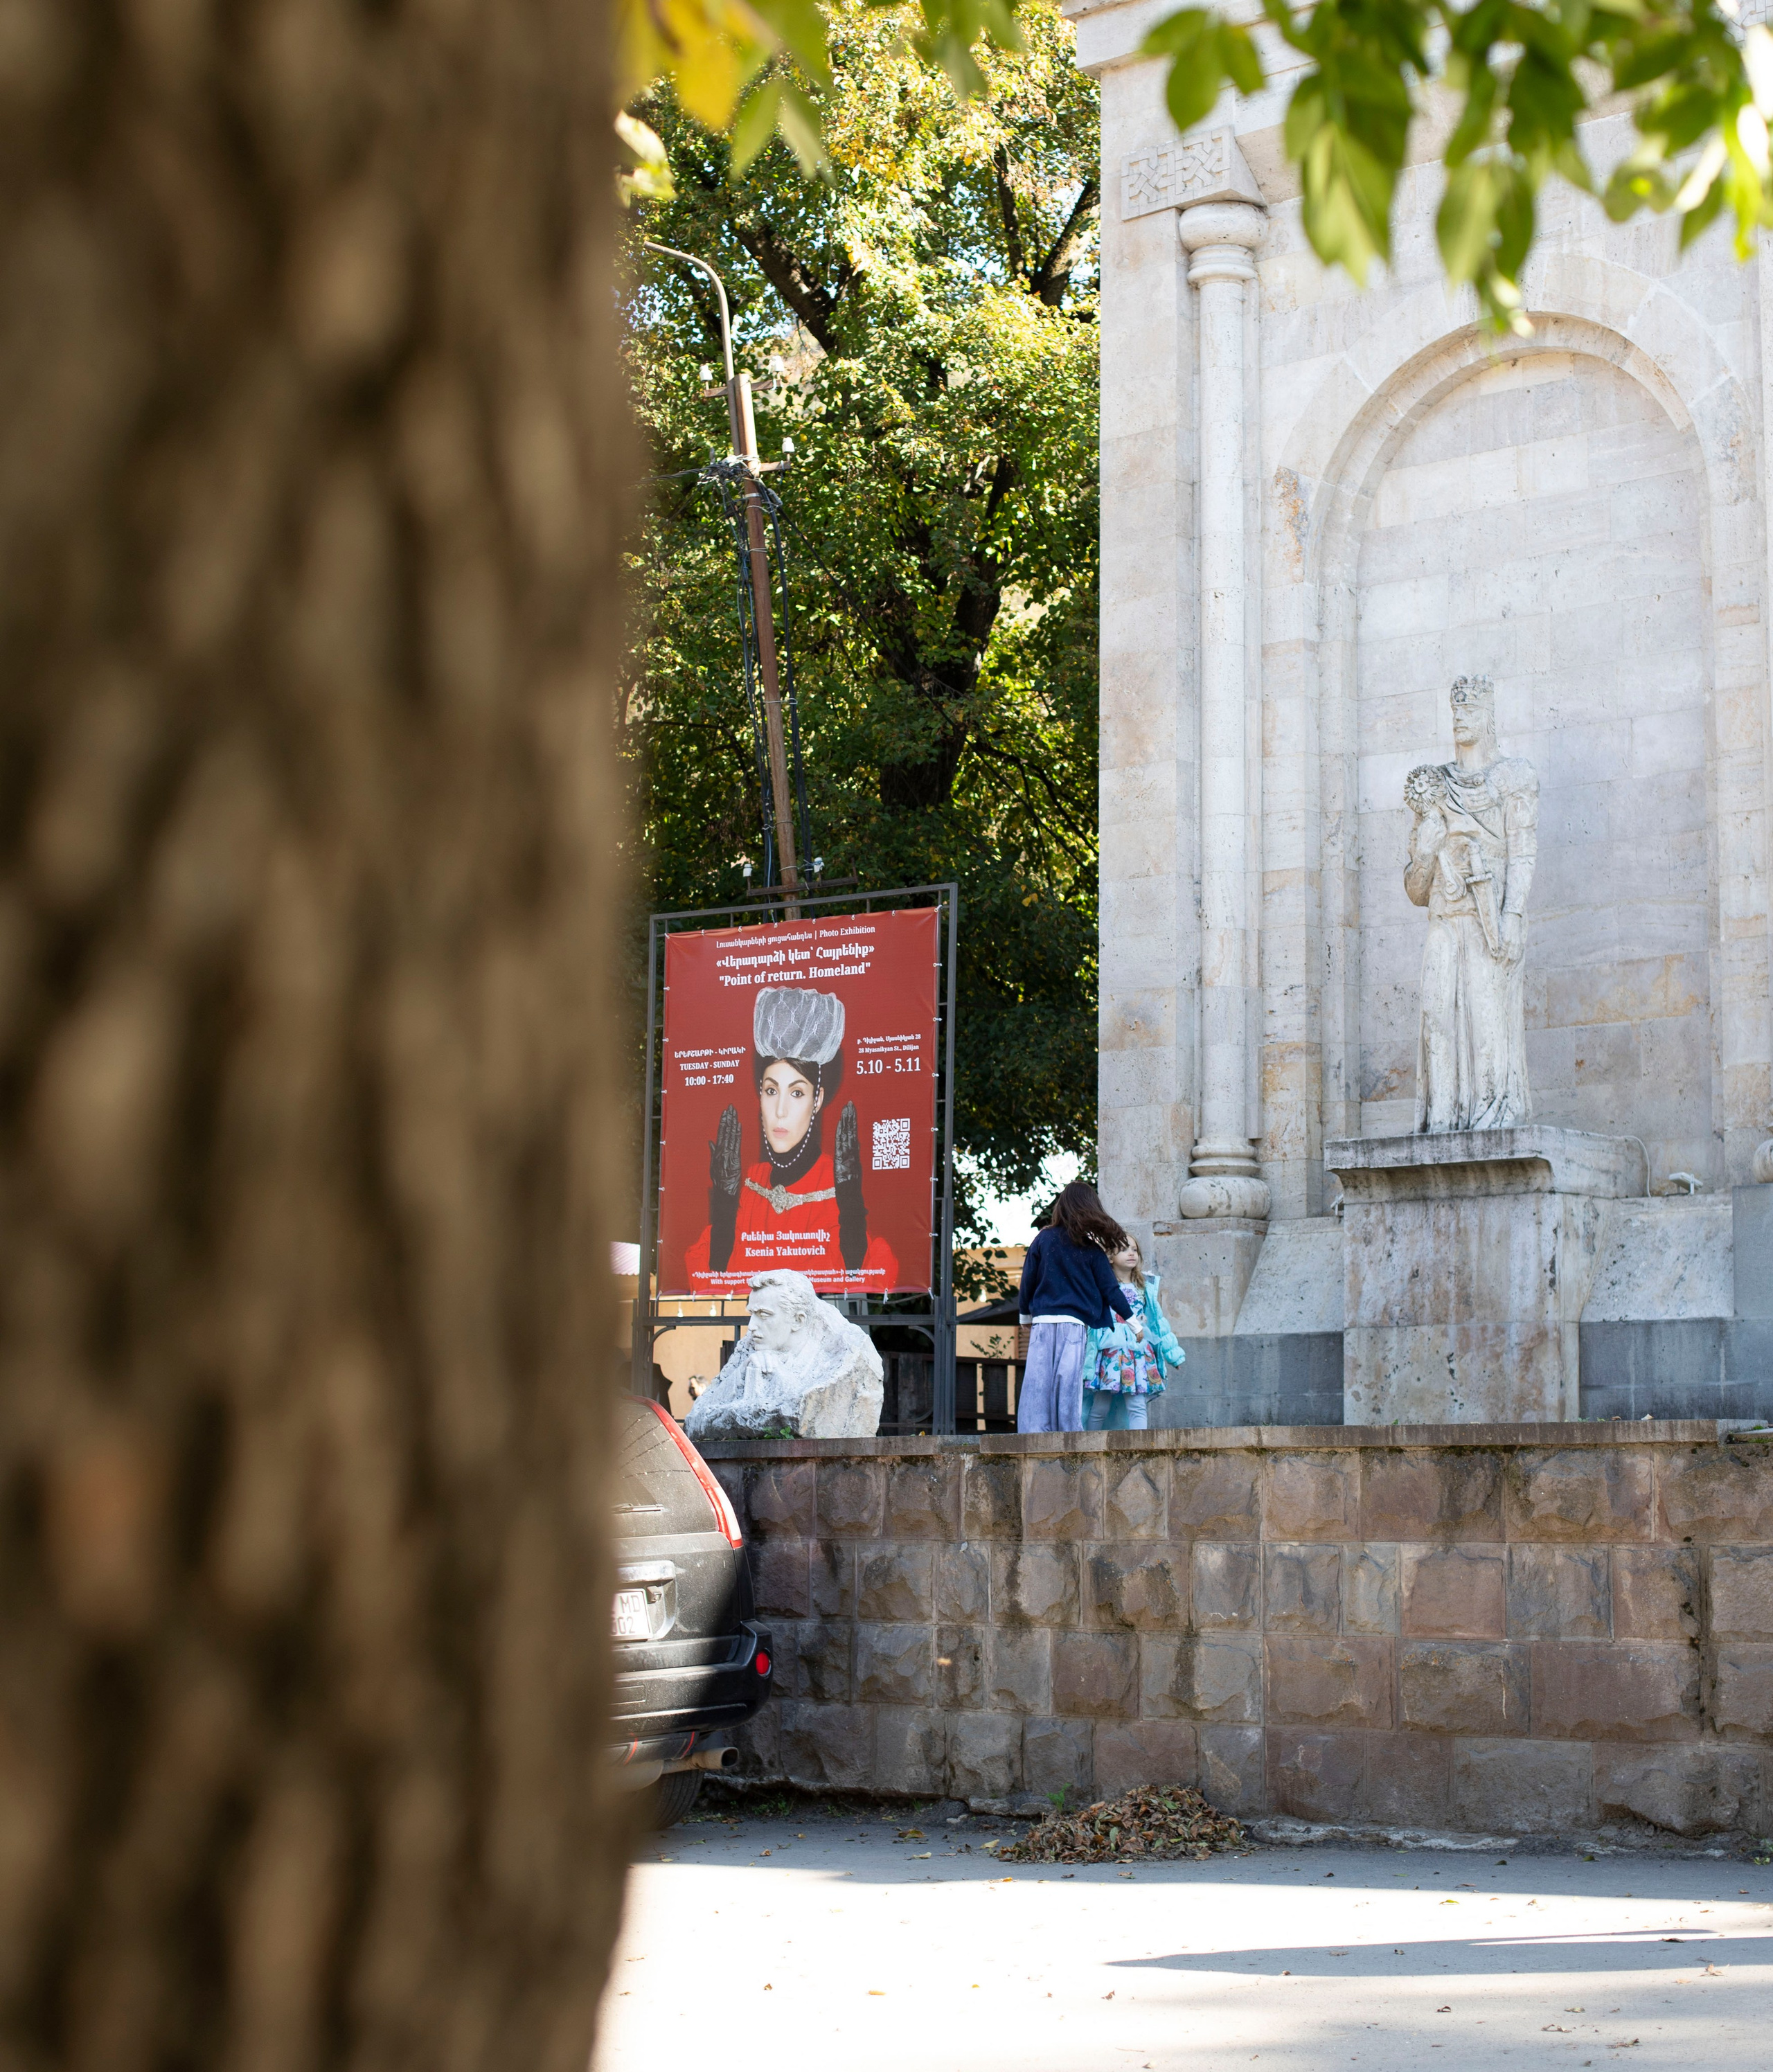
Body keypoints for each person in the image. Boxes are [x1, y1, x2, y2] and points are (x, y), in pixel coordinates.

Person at [684, 985, 899, 1291]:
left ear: (817, 1099)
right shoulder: (745, 1187)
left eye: (797, 1092)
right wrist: (724, 1207)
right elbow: (712, 1284)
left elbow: (868, 1284)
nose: (780, 1111)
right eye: (771, 1091)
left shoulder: (838, 1183)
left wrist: (850, 1209)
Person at [1015, 1181, 1139, 1434]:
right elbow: (1110, 1289)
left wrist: (1025, 1314)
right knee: (1068, 1382)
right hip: (1074, 1326)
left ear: (1062, 1207)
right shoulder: (1092, 1250)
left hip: (1043, 1323)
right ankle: (1068, 1433)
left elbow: (1028, 1277)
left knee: (1038, 1382)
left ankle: (1032, 1434)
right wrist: (1134, 1322)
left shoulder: (1043, 1238)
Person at [1083, 1235, 1184, 1431]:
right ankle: (1088, 1446)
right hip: (1110, 1352)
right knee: (1100, 1407)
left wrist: (1174, 1355)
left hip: (1138, 1352)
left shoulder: (1145, 1287)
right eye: (1124, 1249)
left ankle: (1141, 1448)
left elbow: (1159, 1324)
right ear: (1110, 1258)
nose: (1131, 1253)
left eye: (1135, 1250)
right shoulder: (1102, 1287)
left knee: (1137, 1406)